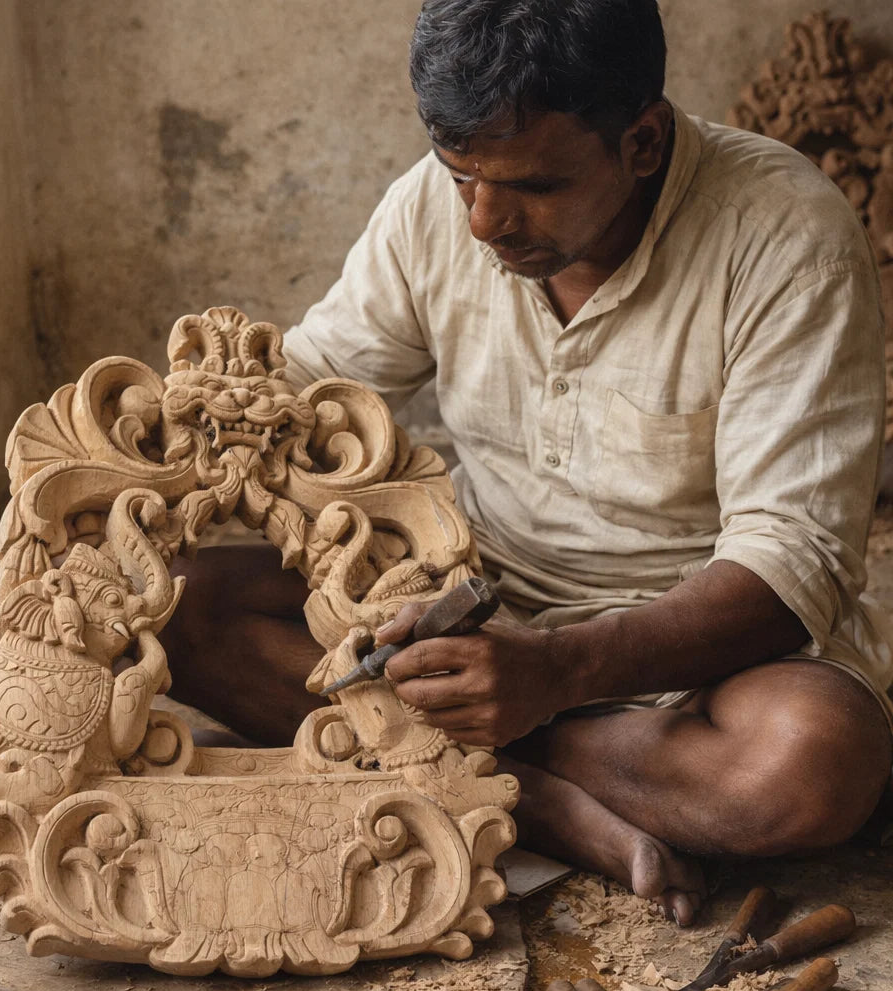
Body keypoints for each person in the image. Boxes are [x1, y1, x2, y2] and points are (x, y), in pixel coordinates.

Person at [163, 0, 893, 925]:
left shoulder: (784, 235)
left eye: (535, 187)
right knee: (176, 606)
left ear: (641, 140)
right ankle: (552, 808)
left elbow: (794, 564)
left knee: (808, 766)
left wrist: (554, 674)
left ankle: (474, 759)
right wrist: (152, 448)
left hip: (694, 650)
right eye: (461, 174)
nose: (483, 221)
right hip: (467, 595)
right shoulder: (438, 207)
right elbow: (306, 389)